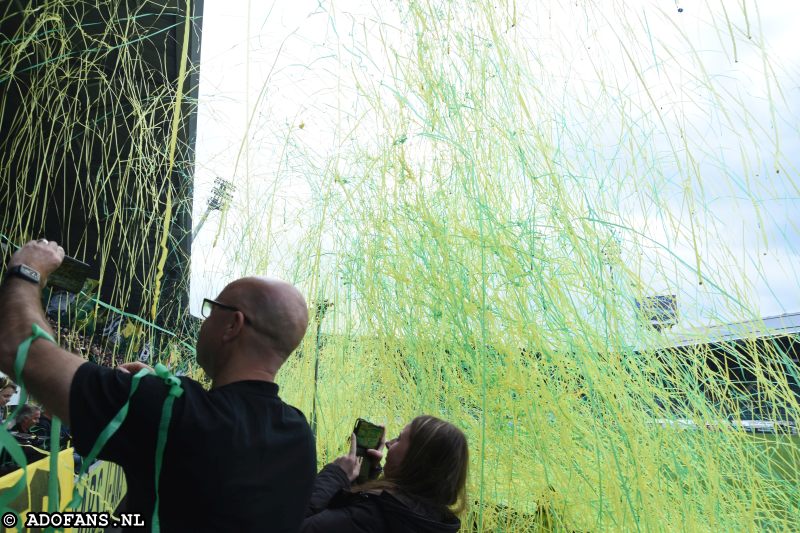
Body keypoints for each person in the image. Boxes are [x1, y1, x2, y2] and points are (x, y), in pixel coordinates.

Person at [0, 239, 316, 532]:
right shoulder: (299, 435)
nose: (204, 321)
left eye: (212, 308)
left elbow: (18, 346)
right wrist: (160, 393)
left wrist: (26, 269)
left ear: (233, 324)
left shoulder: (170, 410)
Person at [302, 415, 469, 532]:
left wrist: (335, 475)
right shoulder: (431, 520)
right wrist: (365, 477)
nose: (388, 443)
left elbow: (290, 525)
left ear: (416, 458)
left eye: (399, 439)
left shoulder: (366, 518)